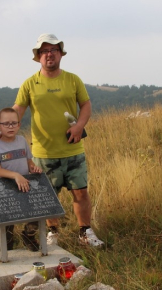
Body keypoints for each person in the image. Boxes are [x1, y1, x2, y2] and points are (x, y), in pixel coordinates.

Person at [12, 33, 104, 248]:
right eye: (44, 51)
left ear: (60, 54)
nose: (49, 54)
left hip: (73, 149)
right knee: (48, 196)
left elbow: (86, 105)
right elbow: (18, 109)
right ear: (38, 56)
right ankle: (53, 232)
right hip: (44, 153)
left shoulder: (73, 80)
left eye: (53, 50)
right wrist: (4, 127)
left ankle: (85, 232)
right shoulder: (30, 84)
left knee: (80, 192)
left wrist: (80, 126)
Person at [0, 107, 43, 252]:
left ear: (19, 124)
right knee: (8, 223)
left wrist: (33, 168)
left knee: (37, 211)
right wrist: (15, 175)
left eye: (14, 123)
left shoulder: (22, 140)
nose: (10, 127)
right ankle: (8, 251)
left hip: (25, 184)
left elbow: (29, 162)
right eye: (6, 124)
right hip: (6, 186)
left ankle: (29, 236)